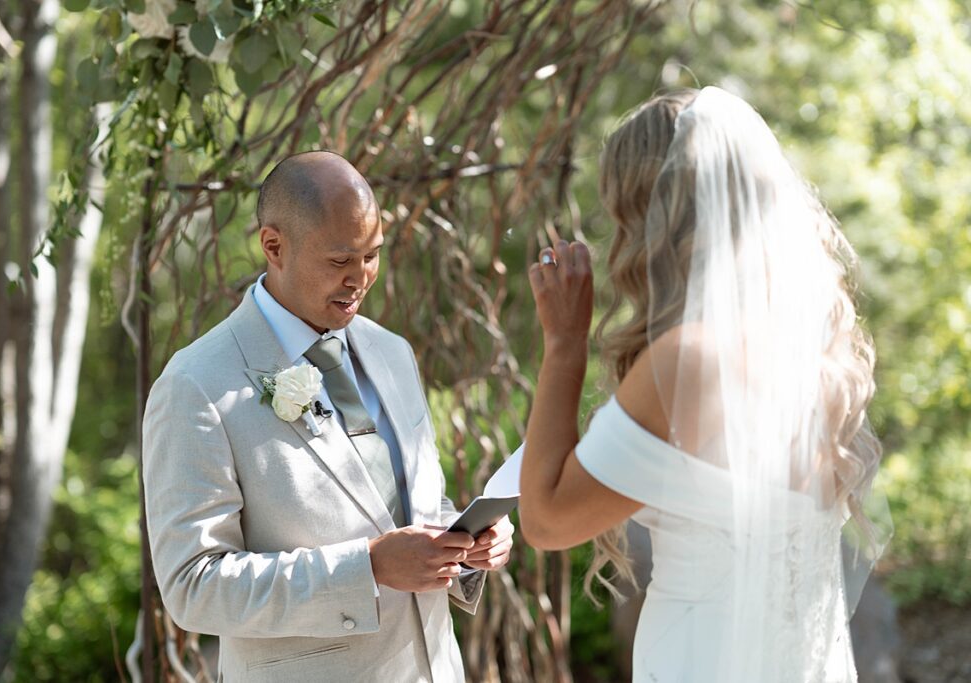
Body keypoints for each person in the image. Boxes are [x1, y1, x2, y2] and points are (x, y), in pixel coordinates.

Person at [517, 87, 887, 682]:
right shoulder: (816, 357)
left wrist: (563, 345)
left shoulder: (688, 360)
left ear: (650, 218)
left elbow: (546, 521)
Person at [143, 151, 513, 682]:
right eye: (340, 261)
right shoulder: (197, 384)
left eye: (373, 256)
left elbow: (402, 508)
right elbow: (193, 586)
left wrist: (466, 543)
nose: (360, 279)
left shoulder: (392, 352)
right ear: (274, 246)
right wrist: (368, 567)